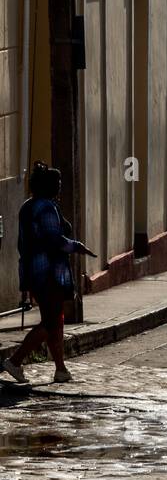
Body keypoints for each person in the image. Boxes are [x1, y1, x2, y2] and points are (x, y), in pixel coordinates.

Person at [1, 162, 93, 386]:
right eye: (57, 183)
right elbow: (54, 240)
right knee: (51, 321)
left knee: (55, 320)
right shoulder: (46, 208)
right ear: (47, 185)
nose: (60, 187)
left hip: (33, 271)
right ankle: (15, 360)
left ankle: (60, 369)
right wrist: (77, 246)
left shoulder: (28, 206)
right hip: (49, 271)